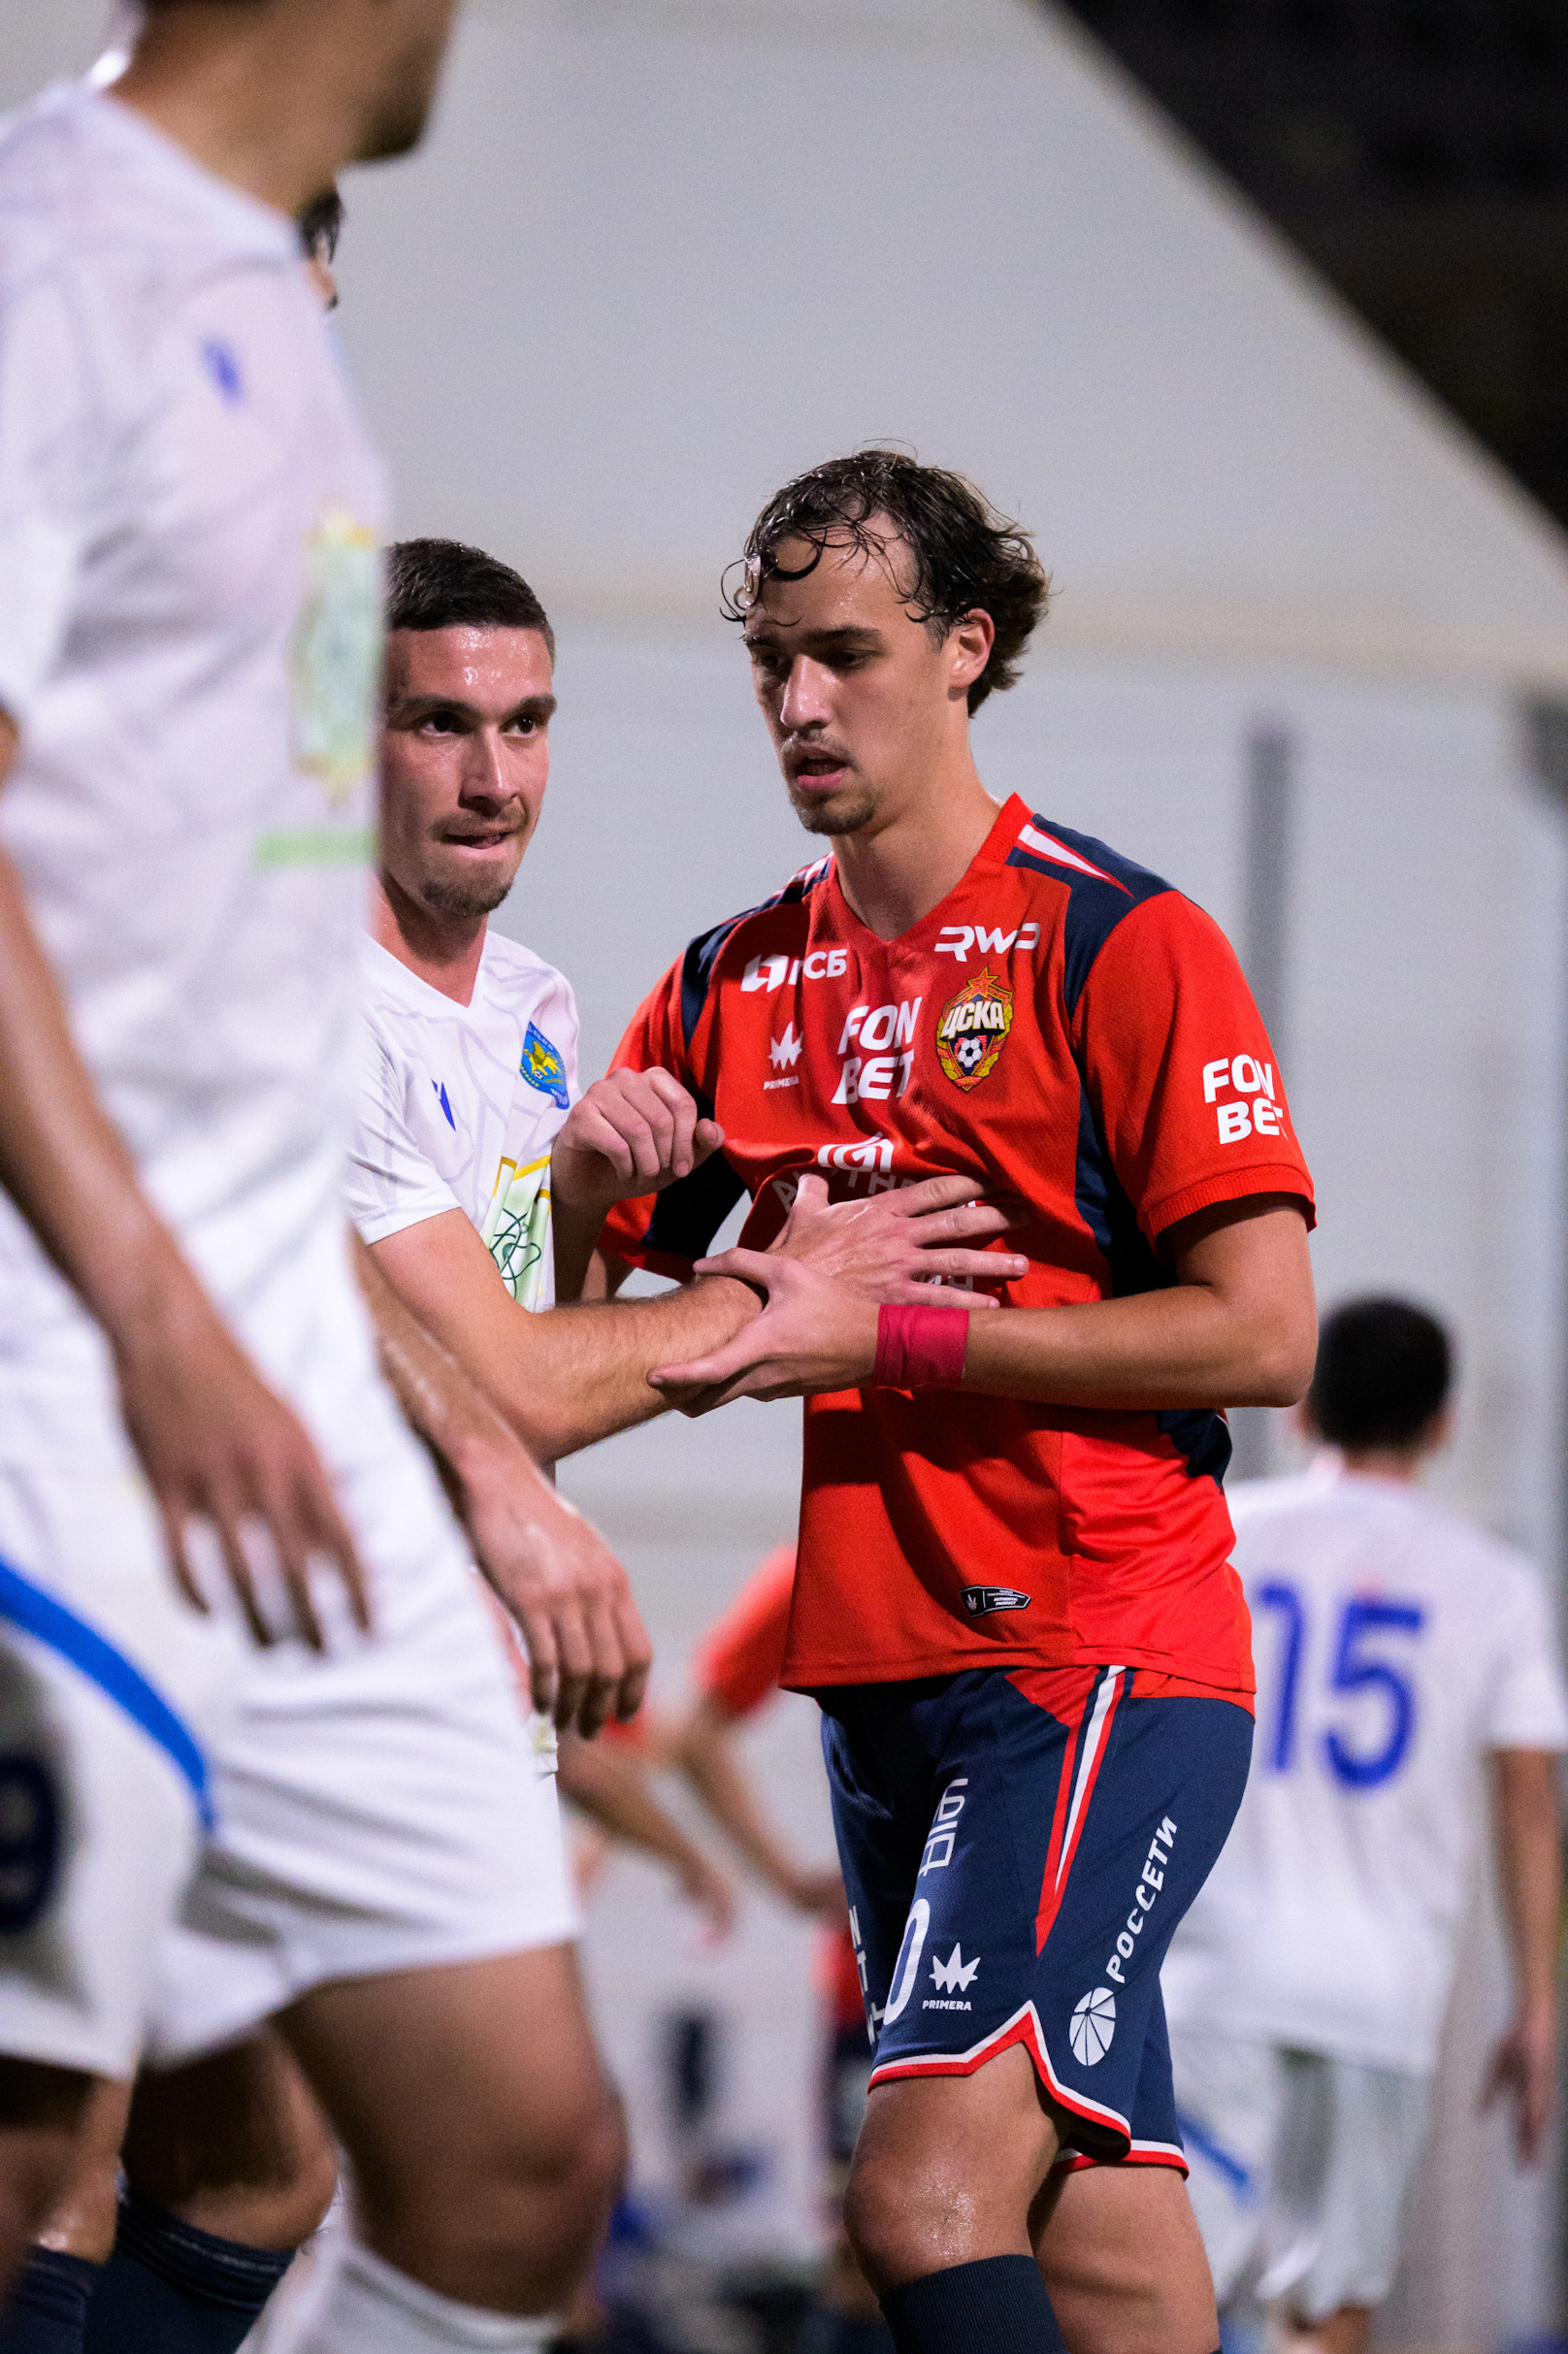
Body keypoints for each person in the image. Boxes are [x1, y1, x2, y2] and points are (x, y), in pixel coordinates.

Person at [0, 8, 691, 2351]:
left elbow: (251, 998)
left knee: (503, 2161)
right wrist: (169, 1316)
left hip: (299, 1421)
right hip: (83, 1404)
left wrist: (480, 1416)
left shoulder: (295, 380)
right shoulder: (54, 260)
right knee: (44, 2145)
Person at [593, 449, 1321, 2354]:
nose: (798, 701)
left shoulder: (1120, 939)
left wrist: (899, 1344)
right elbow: (573, 1340)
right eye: (769, 662)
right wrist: (584, 1193)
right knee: (1103, 2245)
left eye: (843, 653)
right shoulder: (729, 981)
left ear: (966, 648)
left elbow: (1263, 1337)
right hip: (880, 1686)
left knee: (918, 2198)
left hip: (1096, 1656)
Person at [1160, 1297, 1568, 2354]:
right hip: (1378, 1988)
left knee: (1165, 2289)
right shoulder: (1493, 1582)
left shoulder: (1221, 1531)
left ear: (1303, 1410)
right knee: (1326, 2303)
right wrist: (1536, 2004)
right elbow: (1528, 1801)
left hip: (1208, 1970)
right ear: (1443, 1422)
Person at [665, 1544, 888, 2354]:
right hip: (880, 1982)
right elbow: (693, 1734)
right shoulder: (831, 1560)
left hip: (1033, 1966)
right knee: (871, 2248)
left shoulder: (1049, 1536)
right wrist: (788, 1878)